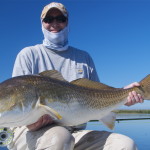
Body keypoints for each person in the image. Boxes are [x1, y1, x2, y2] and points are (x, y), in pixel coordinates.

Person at [8, 2, 144, 150]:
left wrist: (125, 93)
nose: (54, 23)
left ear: (67, 22)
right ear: (42, 23)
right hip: (29, 132)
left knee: (125, 145)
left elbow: (99, 95)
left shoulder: (84, 57)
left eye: (60, 18)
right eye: (48, 20)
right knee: (59, 138)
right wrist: (30, 124)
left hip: (74, 132)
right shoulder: (29, 54)